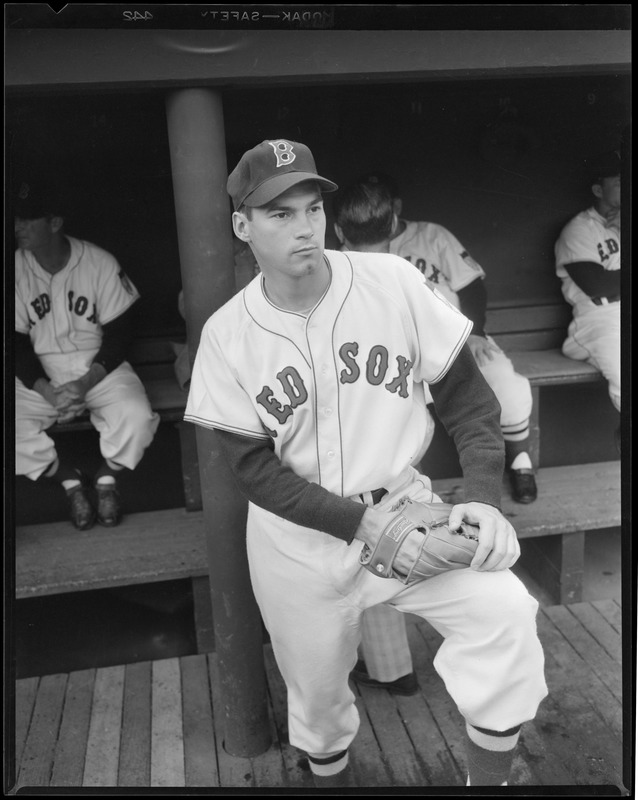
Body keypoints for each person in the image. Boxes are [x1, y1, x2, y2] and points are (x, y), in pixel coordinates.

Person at [184, 139, 548, 788]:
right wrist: (357, 525)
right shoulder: (228, 337)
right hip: (299, 545)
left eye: (311, 208)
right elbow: (254, 471)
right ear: (243, 226)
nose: (304, 228)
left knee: (504, 613)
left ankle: (490, 778)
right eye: (279, 214)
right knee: (319, 704)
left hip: (408, 510)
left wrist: (485, 497)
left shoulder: (394, 283)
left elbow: (470, 403)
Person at [343, 172, 537, 505]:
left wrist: (475, 333)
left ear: (394, 208)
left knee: (507, 384)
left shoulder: (432, 235)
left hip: (458, 338)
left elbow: (472, 285)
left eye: (382, 204)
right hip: (397, 354)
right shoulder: (352, 250)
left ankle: (521, 463)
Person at [14, 177, 160, 530]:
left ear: (54, 223)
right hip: (38, 372)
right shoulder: (15, 268)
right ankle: (70, 481)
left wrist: (86, 382)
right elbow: (14, 343)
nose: (18, 226)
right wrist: (46, 389)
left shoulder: (99, 263)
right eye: (15, 219)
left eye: (28, 219)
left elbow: (119, 335)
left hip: (99, 368)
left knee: (137, 418)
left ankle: (106, 480)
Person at [554, 149, 621, 442]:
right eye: (620, 182)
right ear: (598, 190)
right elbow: (597, 284)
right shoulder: (579, 229)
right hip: (599, 318)